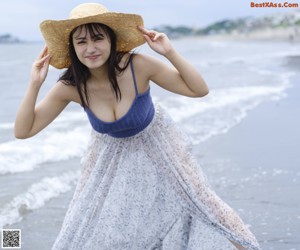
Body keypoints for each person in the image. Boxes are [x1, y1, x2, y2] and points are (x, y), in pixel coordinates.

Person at [14, 3, 262, 250]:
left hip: (159, 143)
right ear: (72, 47)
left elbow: (199, 89)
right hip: (108, 154)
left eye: (98, 38)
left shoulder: (137, 66)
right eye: (81, 42)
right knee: (84, 219)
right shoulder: (71, 87)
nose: (90, 48)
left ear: (111, 40)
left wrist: (169, 52)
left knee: (203, 202)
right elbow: (23, 131)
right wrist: (35, 84)